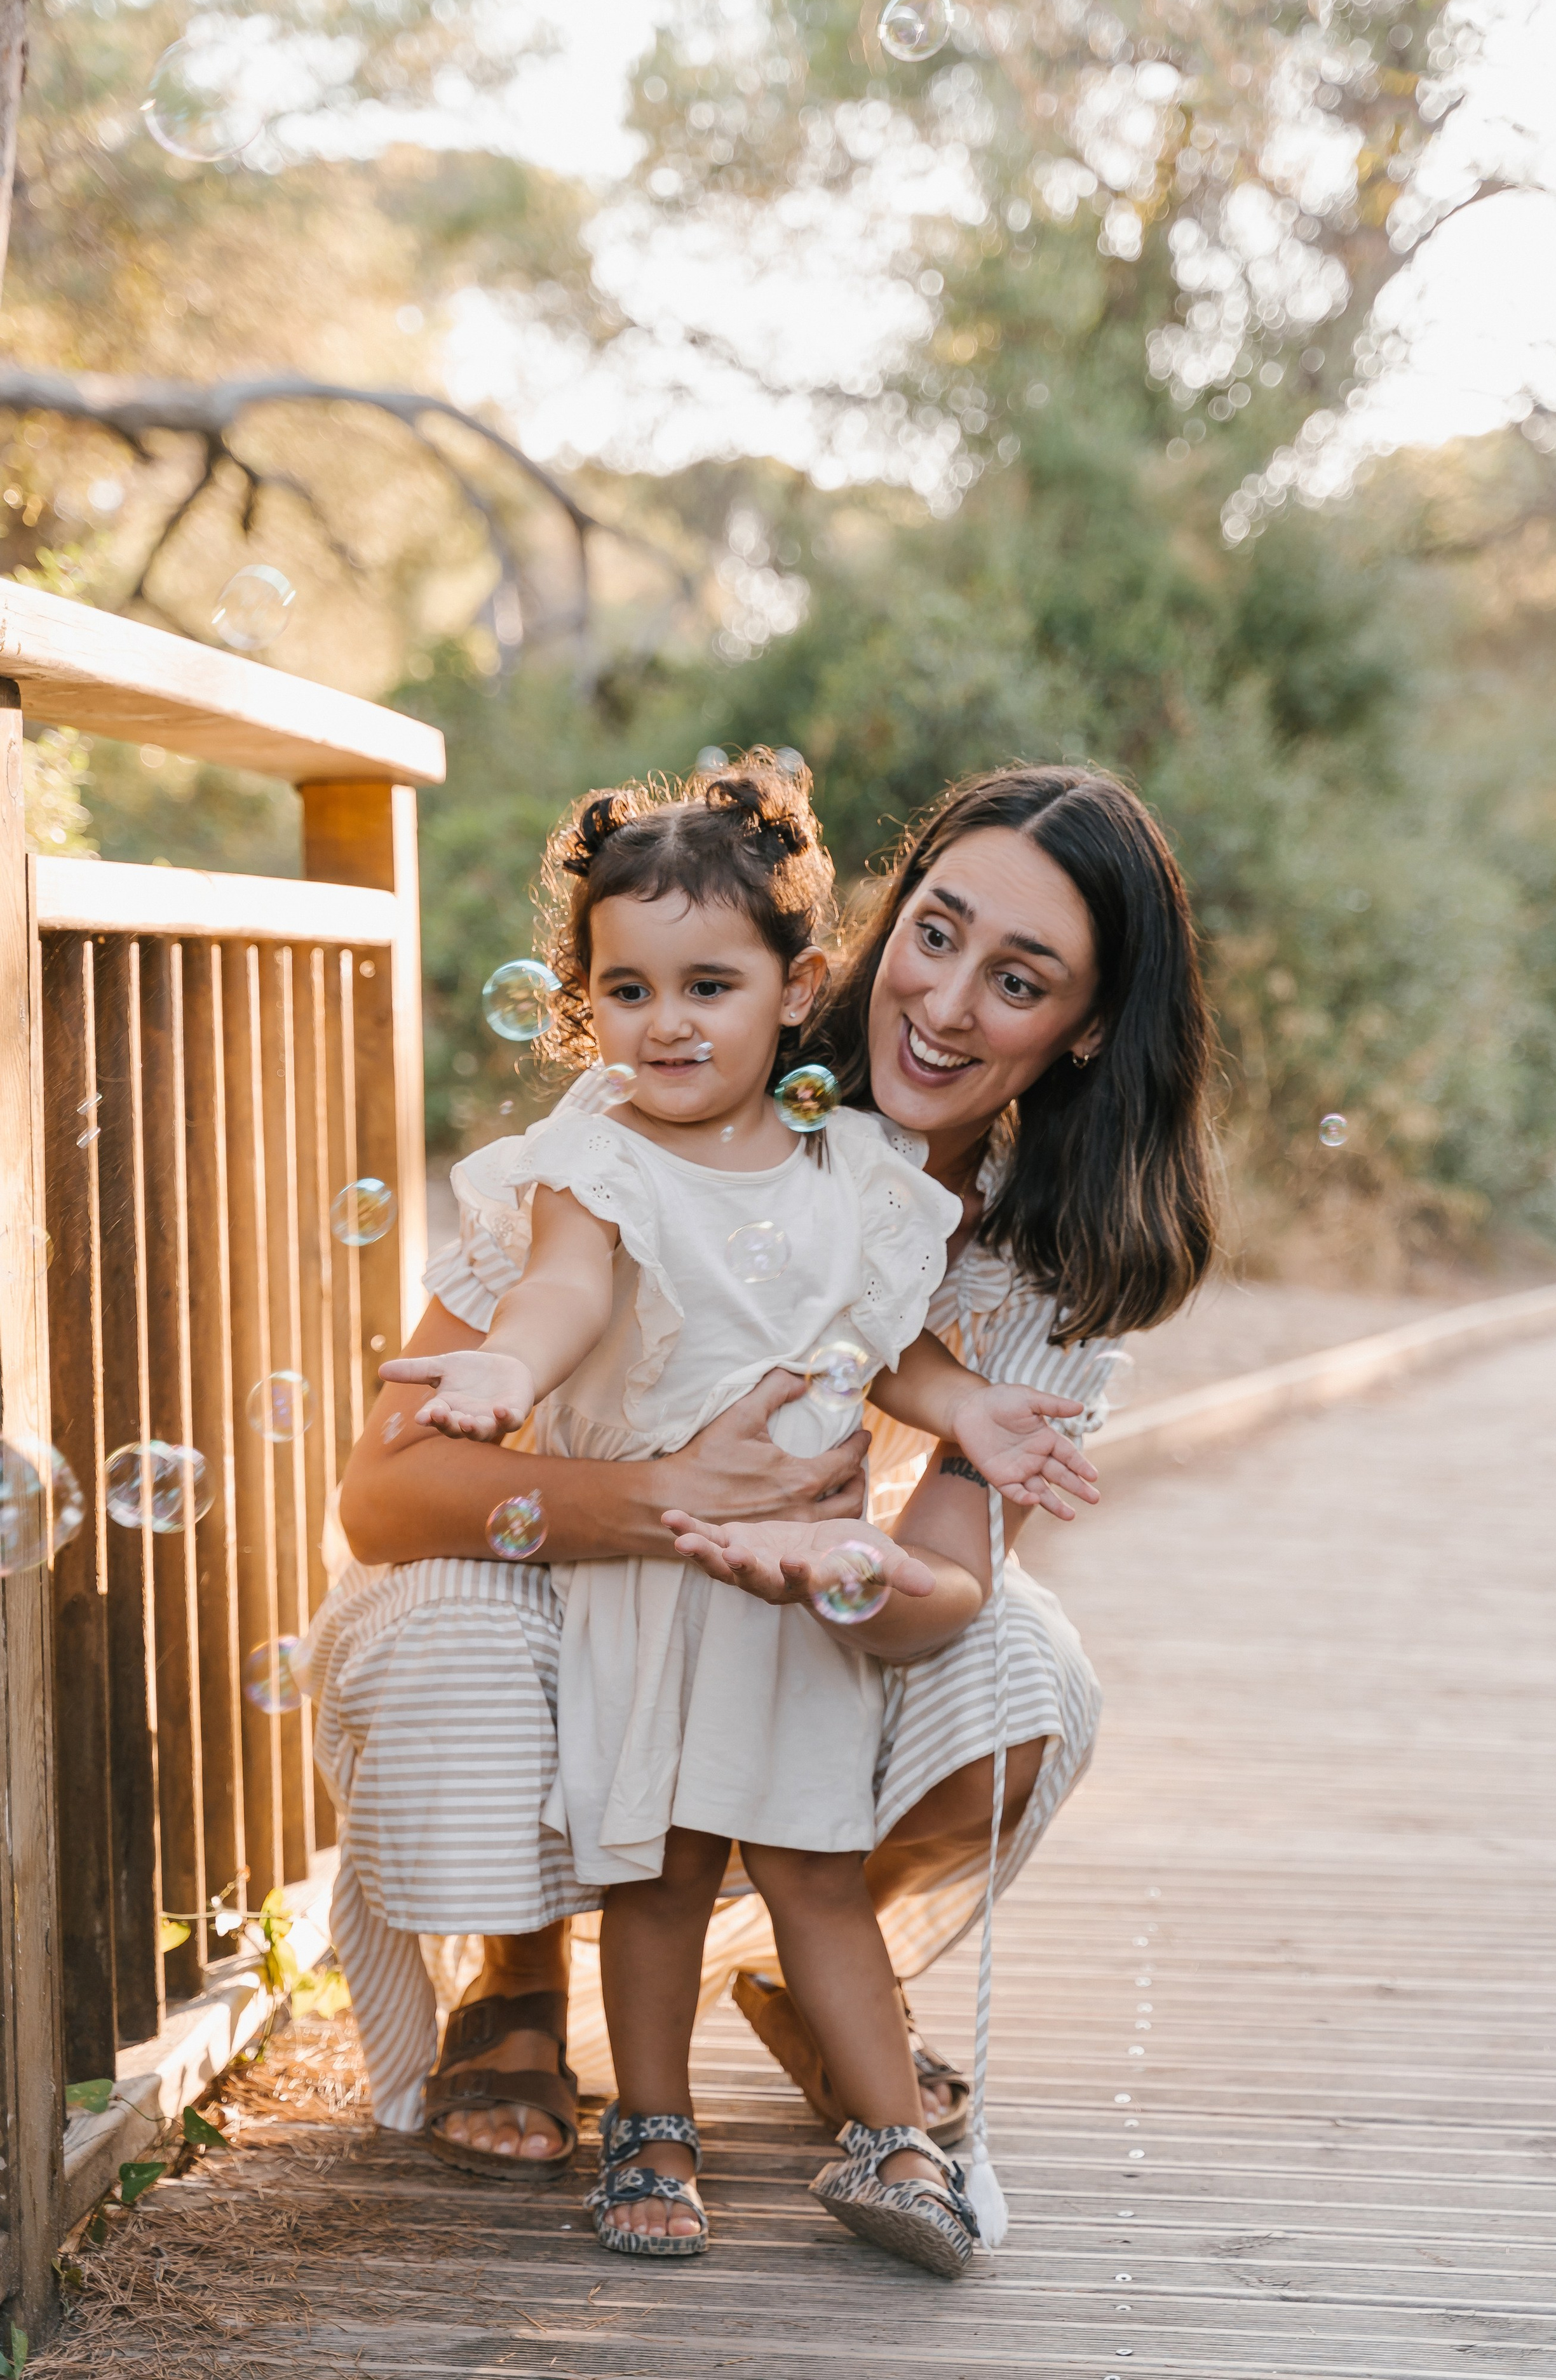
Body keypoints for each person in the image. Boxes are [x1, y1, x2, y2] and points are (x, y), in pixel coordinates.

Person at [304, 758, 1215, 2251]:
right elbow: (392, 1487)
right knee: (466, 1650)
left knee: (1020, 1679)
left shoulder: (1014, 1241)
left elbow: (930, 1519)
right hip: (599, 1572)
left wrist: (856, 1562)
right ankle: (526, 1985)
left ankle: (828, 1983)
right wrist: (649, 1485)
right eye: (933, 932)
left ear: (1088, 1026)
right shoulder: (658, 1108)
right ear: (873, 929)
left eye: (1017, 980)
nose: (942, 1004)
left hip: (796, 1587)